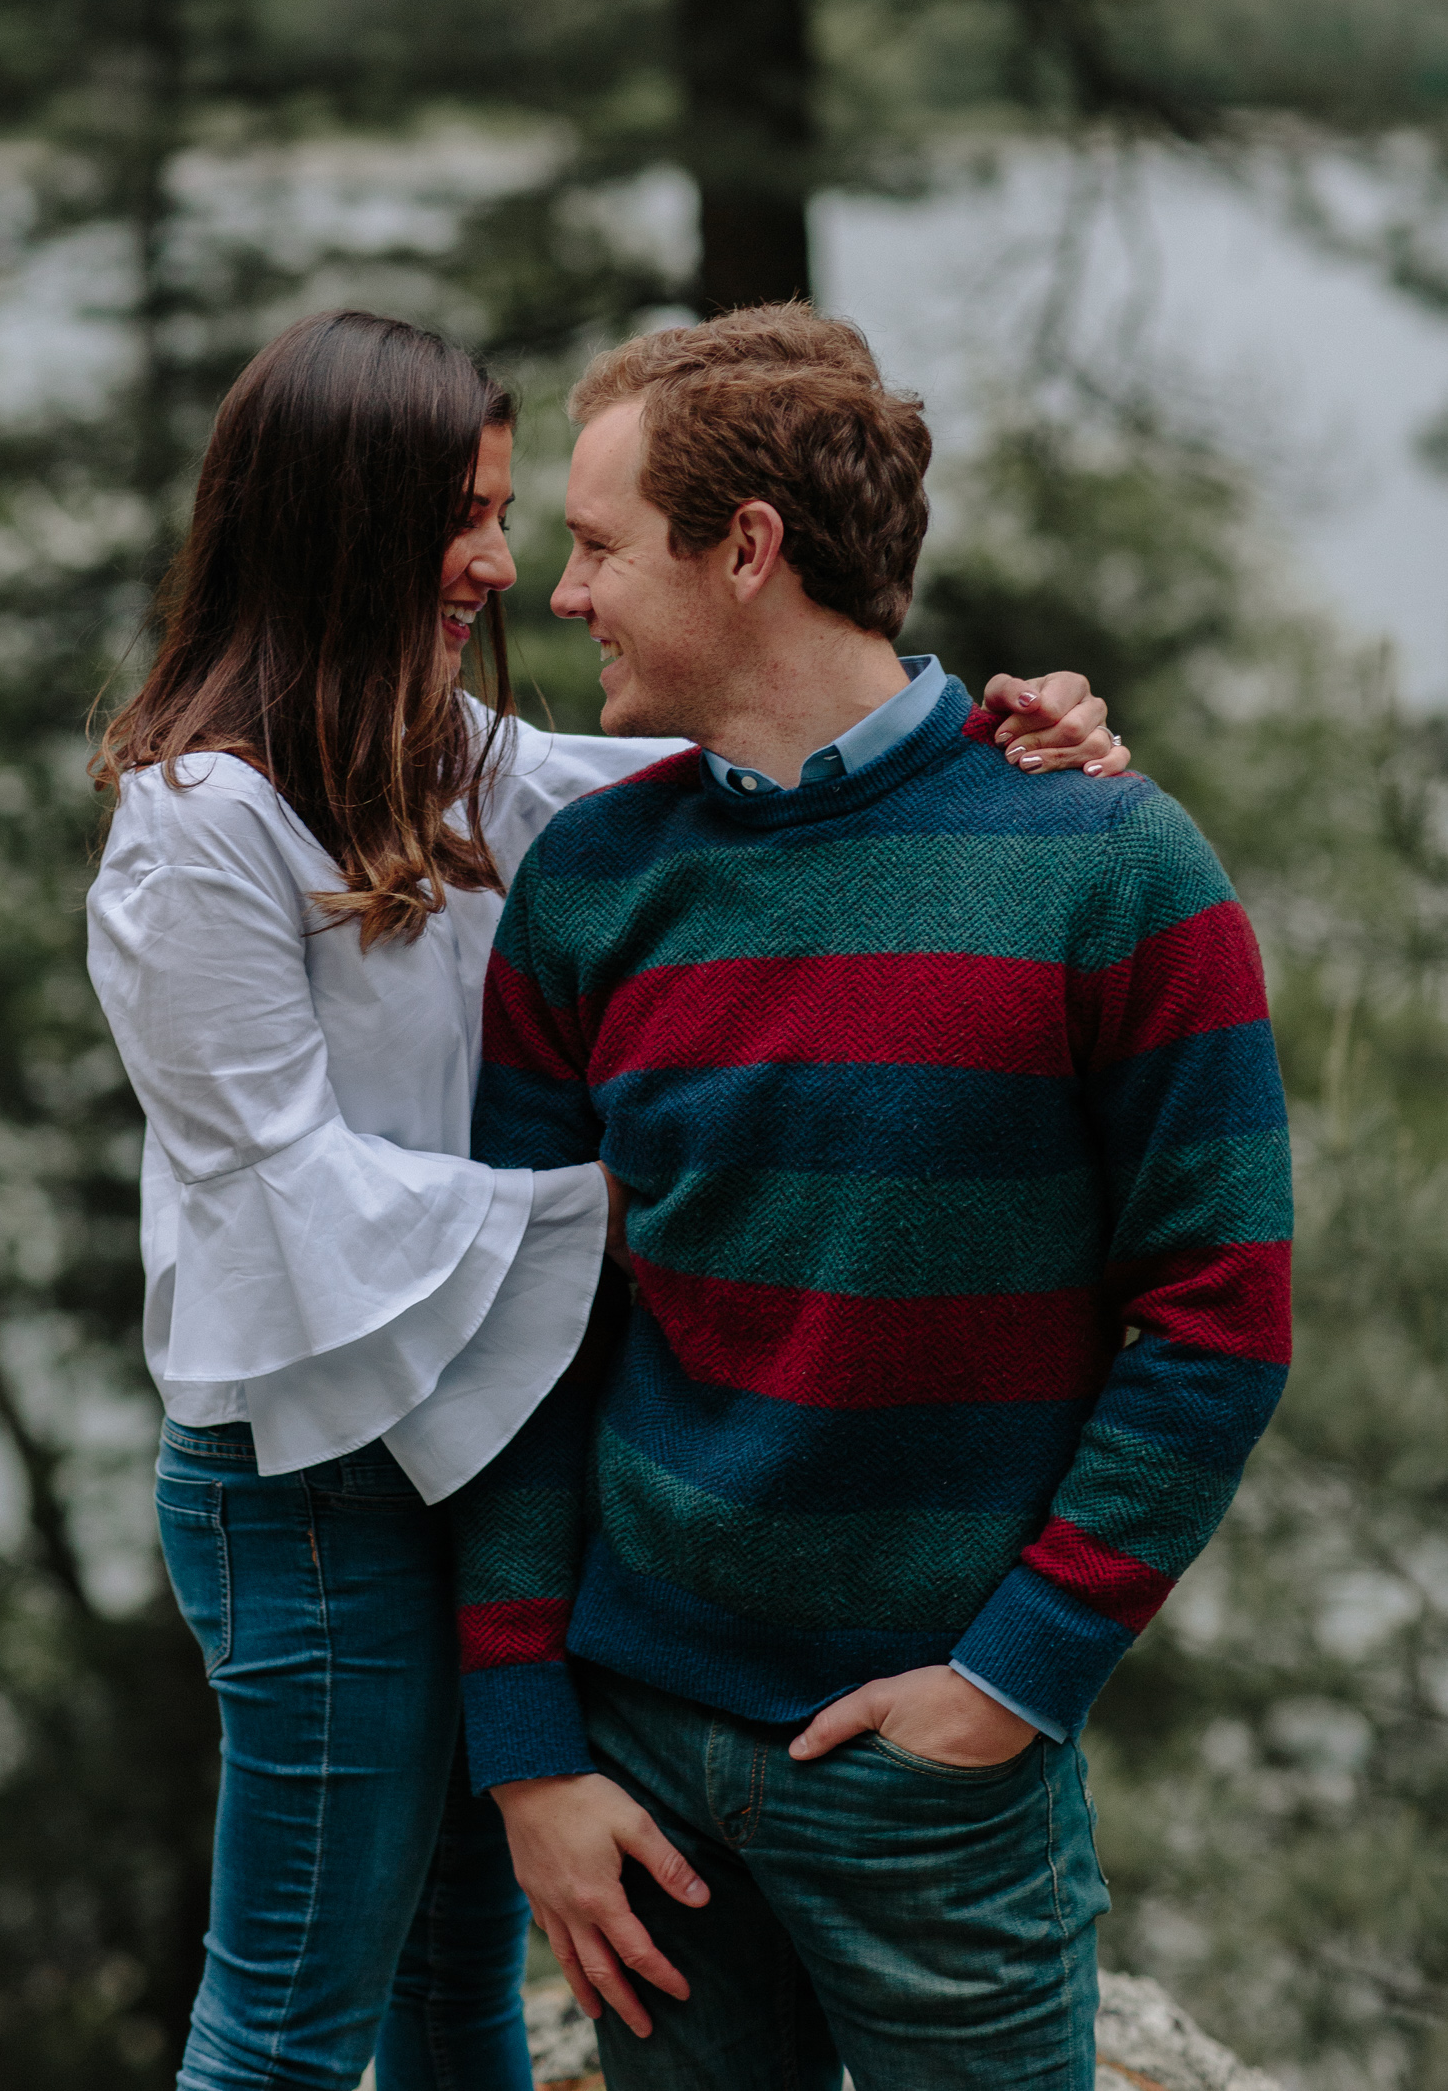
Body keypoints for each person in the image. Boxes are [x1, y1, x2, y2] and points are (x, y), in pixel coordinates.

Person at [84, 306, 1133, 2091]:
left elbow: (736, 753)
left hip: (462, 1433)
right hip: (311, 1485)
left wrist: (986, 741)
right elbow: (277, 1181)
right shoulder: (199, 822)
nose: (506, 566)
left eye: (526, 519)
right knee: (284, 2021)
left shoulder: (440, 759)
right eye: (472, 515)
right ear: (342, 518)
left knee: (451, 1992)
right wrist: (635, 1212)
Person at [452, 304, 1293, 2091]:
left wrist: (1015, 1677)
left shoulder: (1112, 869)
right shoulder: (592, 885)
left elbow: (1219, 1324)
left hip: (932, 1784)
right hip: (641, 1773)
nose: (565, 592)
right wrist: (532, 1752)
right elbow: (518, 1340)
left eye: (598, 546)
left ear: (745, 550)